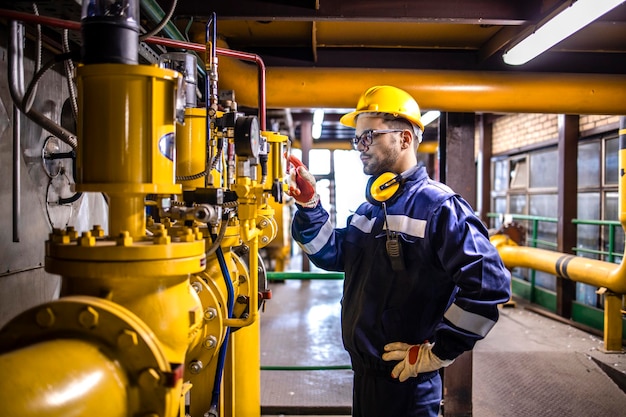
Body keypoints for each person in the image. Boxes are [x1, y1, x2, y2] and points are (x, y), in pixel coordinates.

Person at [286, 85, 511, 417]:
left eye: (368, 137)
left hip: (407, 385)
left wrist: (437, 352)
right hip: (366, 379)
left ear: (404, 139)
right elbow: (331, 253)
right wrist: (310, 205)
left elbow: (489, 285)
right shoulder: (372, 209)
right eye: (357, 140)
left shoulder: (439, 207)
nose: (360, 148)